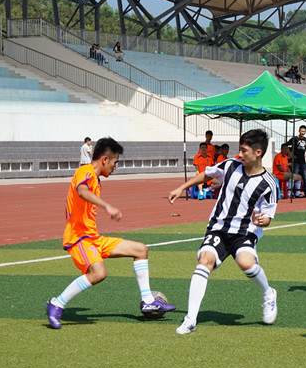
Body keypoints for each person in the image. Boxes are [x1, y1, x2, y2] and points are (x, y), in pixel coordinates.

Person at [45, 137, 176, 329]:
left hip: (93, 238)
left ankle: (148, 300)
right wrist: (107, 206)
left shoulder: (95, 178)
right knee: (98, 273)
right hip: (79, 238)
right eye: (115, 162)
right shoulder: (85, 171)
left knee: (140, 250)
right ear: (105, 159)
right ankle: (56, 304)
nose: (115, 167)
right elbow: (82, 191)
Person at [168, 129, 279, 335]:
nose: (240, 154)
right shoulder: (230, 165)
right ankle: (190, 319)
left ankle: (268, 293)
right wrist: (182, 187)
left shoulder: (269, 183)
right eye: (240, 149)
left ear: (258, 153)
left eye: (244, 150)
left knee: (246, 264)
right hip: (218, 228)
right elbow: (206, 174)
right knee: (204, 261)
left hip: (245, 232)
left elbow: (268, 217)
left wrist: (261, 221)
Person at [289, 125, 306, 197]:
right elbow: (286, 145)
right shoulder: (294, 139)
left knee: (305, 177)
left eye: (304, 131)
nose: (303, 133)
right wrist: (291, 155)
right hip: (296, 161)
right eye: (302, 131)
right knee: (295, 176)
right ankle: (293, 192)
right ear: (299, 131)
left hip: (303, 161)